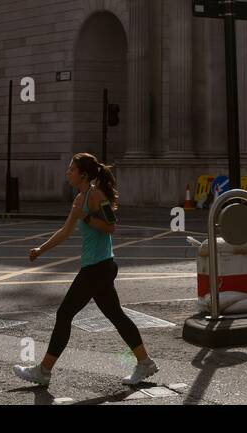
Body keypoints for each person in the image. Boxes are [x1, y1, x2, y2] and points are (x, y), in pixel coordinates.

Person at [14, 152, 158, 388]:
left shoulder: (95, 195)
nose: (67, 172)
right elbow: (65, 230)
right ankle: (145, 362)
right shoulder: (80, 198)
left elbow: (111, 226)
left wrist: (88, 218)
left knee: (64, 314)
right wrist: (41, 249)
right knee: (116, 315)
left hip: (97, 268)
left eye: (71, 169)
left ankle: (43, 370)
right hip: (97, 267)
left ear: (82, 174)